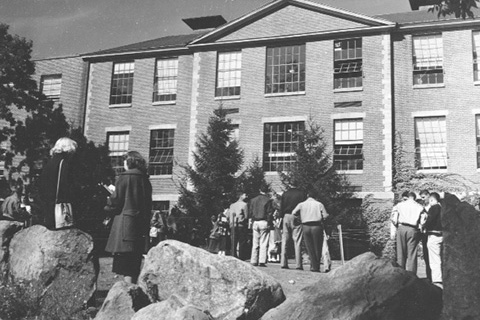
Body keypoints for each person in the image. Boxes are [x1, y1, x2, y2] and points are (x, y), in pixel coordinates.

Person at [105, 151, 152, 284]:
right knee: (134, 262)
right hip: (139, 224)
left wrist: (107, 203)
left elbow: (116, 201)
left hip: (124, 224)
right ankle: (134, 290)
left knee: (124, 263)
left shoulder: (124, 177)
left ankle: (127, 293)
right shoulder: (145, 179)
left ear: (129, 162)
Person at [39, 137, 77, 230]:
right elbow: (65, 185)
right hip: (59, 207)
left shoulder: (50, 162)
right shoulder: (64, 163)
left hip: (48, 205)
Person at [292, 190, 329, 272]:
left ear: (307, 195)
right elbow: (325, 216)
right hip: (316, 226)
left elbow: (294, 212)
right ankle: (316, 266)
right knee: (317, 247)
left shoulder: (301, 204)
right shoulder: (319, 204)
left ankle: (313, 265)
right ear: (315, 196)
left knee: (309, 247)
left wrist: (299, 217)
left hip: (305, 226)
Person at [393, 191, 423, 274]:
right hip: (413, 229)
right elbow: (423, 221)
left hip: (401, 228)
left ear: (408, 197)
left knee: (400, 252)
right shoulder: (419, 206)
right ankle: (411, 275)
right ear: (414, 198)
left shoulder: (399, 205)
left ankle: (400, 274)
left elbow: (394, 218)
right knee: (412, 253)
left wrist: (396, 225)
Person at [280, 187, 307, 270]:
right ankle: (298, 264)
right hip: (297, 216)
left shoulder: (285, 193)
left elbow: (282, 206)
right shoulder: (301, 193)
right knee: (297, 241)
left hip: (286, 215)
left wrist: (281, 216)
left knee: (285, 240)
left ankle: (283, 263)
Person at [248, 185, 272, 267]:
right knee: (263, 242)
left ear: (259, 190)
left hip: (255, 221)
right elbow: (269, 212)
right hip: (264, 221)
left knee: (255, 242)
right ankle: (262, 261)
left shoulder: (253, 200)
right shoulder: (268, 200)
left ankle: (253, 260)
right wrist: (269, 222)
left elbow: (250, 212)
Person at [423, 192, 443, 287]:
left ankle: (437, 280)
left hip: (433, 235)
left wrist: (424, 225)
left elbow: (430, 220)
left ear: (432, 200)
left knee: (434, 258)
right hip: (442, 235)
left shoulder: (434, 208)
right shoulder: (443, 208)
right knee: (440, 257)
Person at [227, 192, 248, 258]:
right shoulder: (244, 205)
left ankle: (233, 254)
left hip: (232, 224)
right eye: (245, 195)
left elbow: (228, 215)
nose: (246, 196)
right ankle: (241, 256)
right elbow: (246, 216)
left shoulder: (232, 205)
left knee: (234, 240)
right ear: (241, 196)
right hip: (240, 225)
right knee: (242, 241)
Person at [418, 189, 432, 281]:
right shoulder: (423, 206)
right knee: (426, 254)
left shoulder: (433, 206)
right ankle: (428, 276)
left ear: (428, 195)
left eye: (424, 197)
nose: (423, 199)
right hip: (424, 233)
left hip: (430, 233)